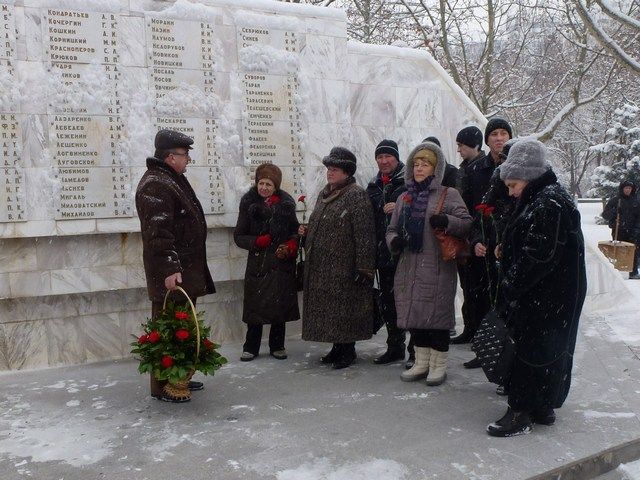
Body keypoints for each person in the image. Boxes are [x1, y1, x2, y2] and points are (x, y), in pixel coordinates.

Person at [486, 138, 586, 437]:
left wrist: (510, 285)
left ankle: (520, 411)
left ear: (529, 177)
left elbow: (538, 256)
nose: (510, 191)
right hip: (557, 293)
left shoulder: (548, 203)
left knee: (530, 350)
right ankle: (543, 405)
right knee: (550, 350)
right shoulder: (545, 196)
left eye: (513, 185)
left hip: (546, 294)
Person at [135, 129, 215, 401]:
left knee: (181, 327)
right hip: (173, 274)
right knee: (168, 327)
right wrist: (169, 268)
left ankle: (180, 378)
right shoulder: (156, 184)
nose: (188, 159)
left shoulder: (171, 179)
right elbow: (158, 233)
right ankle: (162, 387)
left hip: (185, 270)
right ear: (170, 157)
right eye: (185, 154)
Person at [386, 141, 472, 386]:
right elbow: (391, 229)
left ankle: (438, 366)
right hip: (409, 267)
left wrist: (446, 221)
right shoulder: (404, 198)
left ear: (436, 169)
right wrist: (395, 241)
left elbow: (466, 223)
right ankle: (421, 363)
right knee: (416, 316)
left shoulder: (448, 194)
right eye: (416, 164)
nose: (419, 168)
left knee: (437, 318)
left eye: (425, 164)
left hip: (437, 267)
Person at [300, 147, 376, 369]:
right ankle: (336, 347)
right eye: (328, 169)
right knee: (331, 311)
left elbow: (364, 233)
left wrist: (364, 267)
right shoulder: (325, 194)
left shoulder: (356, 195)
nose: (330, 173)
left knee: (345, 310)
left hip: (345, 265)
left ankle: (347, 350)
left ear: (346, 172)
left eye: (335, 169)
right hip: (324, 267)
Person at [459, 118, 513, 369]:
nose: (499, 138)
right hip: (483, 245)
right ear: (487, 139)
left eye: (503, 133)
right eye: (494, 134)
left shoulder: (517, 166)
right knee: (481, 297)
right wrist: (476, 240)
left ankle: (507, 352)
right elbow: (469, 211)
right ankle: (484, 350)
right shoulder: (475, 170)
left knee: (506, 299)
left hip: (508, 243)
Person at [234, 163, 300, 361]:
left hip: (280, 264)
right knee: (255, 307)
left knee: (279, 306)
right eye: (261, 183)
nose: (263, 187)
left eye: (268, 184)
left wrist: (291, 244)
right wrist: (256, 241)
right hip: (259, 264)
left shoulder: (286, 205)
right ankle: (251, 347)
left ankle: (277, 345)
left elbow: (295, 231)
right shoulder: (248, 204)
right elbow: (239, 236)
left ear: (276, 186)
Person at [366, 140, 409, 365]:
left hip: (405, 252)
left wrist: (401, 207)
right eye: (379, 157)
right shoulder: (373, 185)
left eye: (387, 156)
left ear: (396, 158)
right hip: (384, 254)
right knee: (388, 302)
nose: (383, 161)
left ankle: (416, 350)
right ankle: (395, 346)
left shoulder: (408, 181)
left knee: (409, 301)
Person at [452, 126, 485, 345]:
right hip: (464, 235)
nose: (459, 150)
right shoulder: (464, 169)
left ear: (474, 145)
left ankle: (478, 331)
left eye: (461, 145)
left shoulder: (480, 169)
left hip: (477, 236)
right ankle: (470, 328)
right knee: (468, 287)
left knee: (477, 288)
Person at [602, 180, 640, 279]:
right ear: (622, 189)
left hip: (633, 231)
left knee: (634, 252)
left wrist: (636, 230)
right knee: (618, 251)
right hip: (618, 231)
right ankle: (618, 272)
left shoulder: (635, 202)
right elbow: (605, 215)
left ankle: (633, 272)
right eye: (626, 188)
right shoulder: (615, 201)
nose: (628, 190)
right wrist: (614, 211)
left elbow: (638, 218)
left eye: (630, 188)